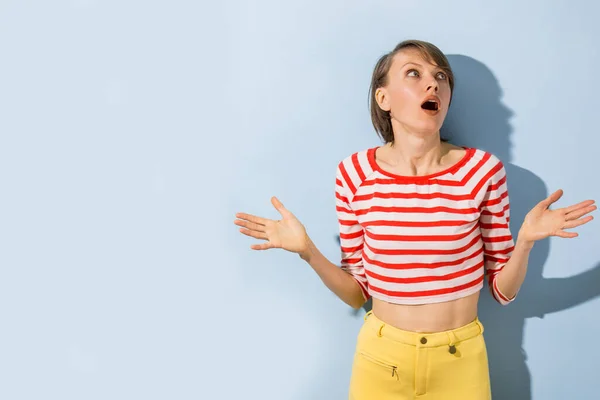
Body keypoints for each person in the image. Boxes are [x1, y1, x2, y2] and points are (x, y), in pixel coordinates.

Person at [233, 40, 596, 399]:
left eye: (441, 76)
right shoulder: (354, 174)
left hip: (461, 363)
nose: (432, 83)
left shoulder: (482, 171)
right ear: (384, 99)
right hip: (381, 359)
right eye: (414, 73)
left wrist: (526, 242)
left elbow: (503, 291)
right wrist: (308, 251)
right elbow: (357, 293)